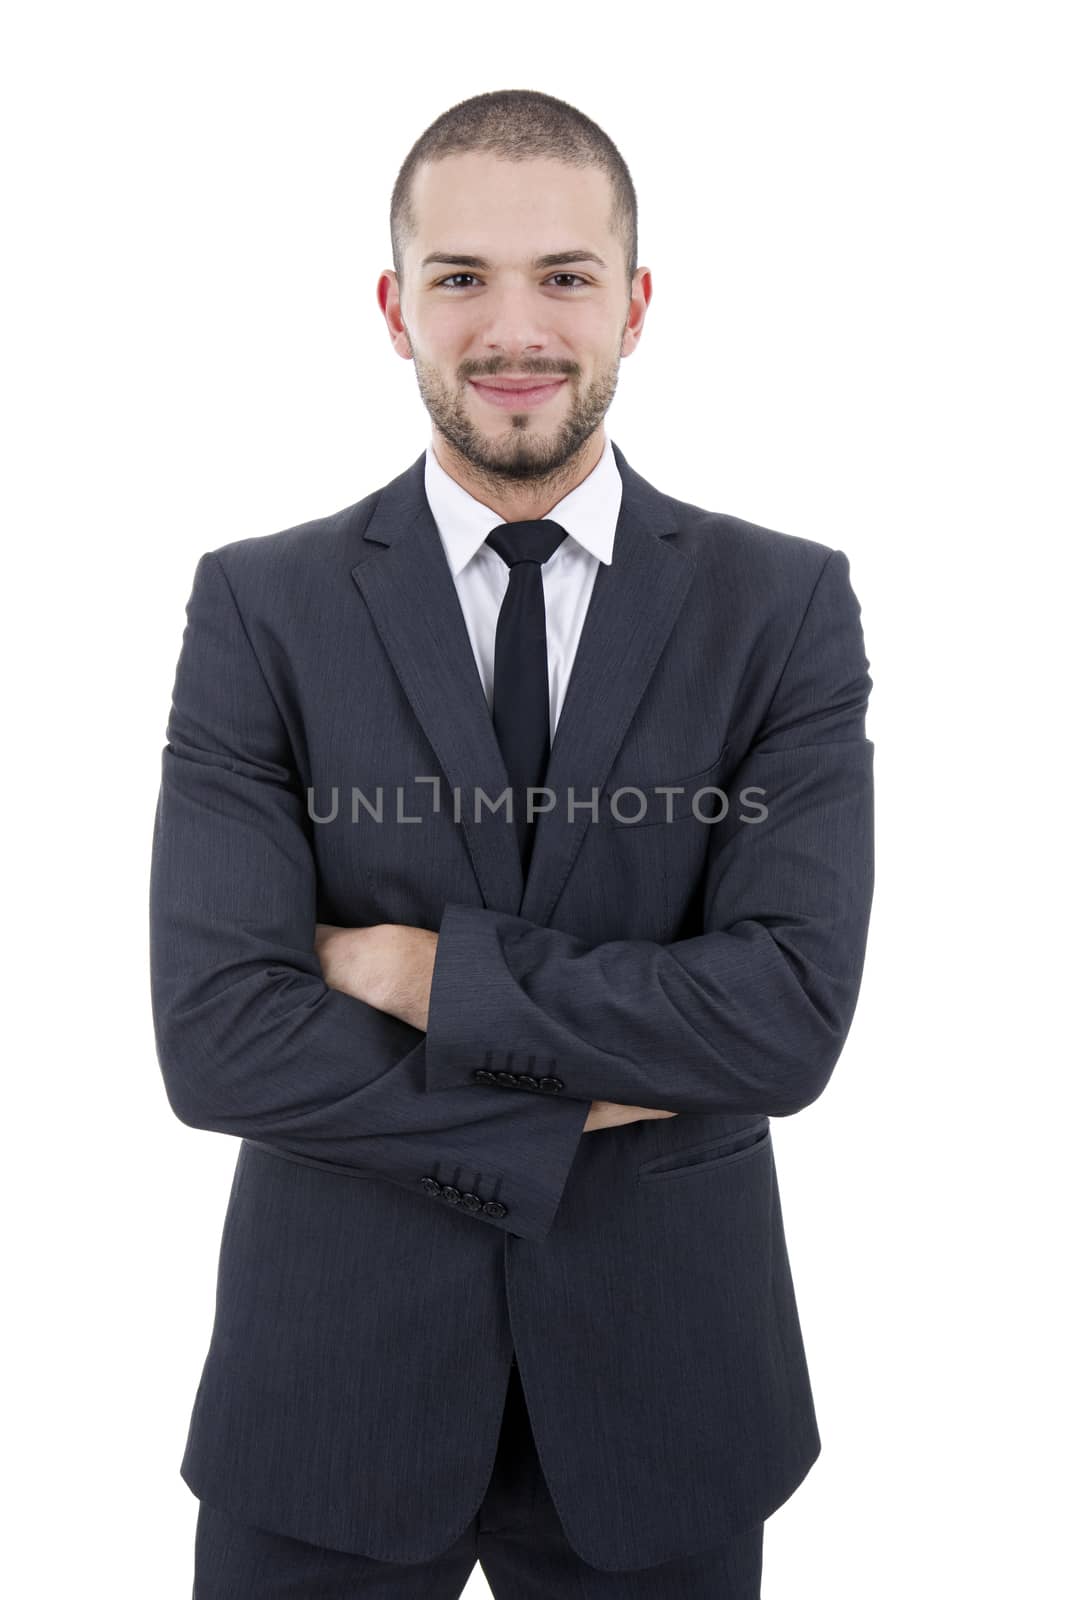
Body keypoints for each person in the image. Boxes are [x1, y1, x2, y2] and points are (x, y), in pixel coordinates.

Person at [150, 87, 875, 1599]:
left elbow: (785, 1018)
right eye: (461, 278)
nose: (515, 329)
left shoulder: (784, 608)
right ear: (393, 308)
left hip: (666, 1397)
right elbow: (219, 1040)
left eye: (565, 275)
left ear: (637, 302)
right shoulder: (259, 608)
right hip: (328, 1394)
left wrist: (417, 970)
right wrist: (576, 1104)